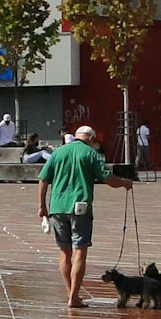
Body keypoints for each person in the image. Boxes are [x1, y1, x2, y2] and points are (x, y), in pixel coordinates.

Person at [36, 126, 133, 309]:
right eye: (94, 141)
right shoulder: (91, 154)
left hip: (57, 207)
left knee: (65, 253)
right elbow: (108, 179)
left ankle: (70, 294)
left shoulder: (58, 153)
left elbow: (43, 179)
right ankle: (74, 298)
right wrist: (125, 183)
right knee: (80, 252)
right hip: (80, 208)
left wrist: (42, 206)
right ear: (89, 138)